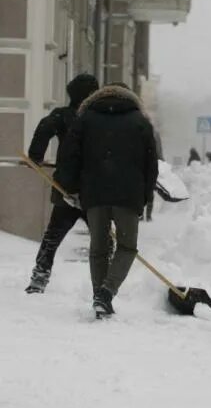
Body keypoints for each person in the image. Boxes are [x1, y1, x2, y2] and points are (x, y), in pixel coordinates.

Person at [57, 82, 158, 319]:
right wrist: (146, 197)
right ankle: (106, 293)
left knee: (99, 248)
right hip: (128, 195)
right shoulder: (139, 121)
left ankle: (99, 297)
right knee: (127, 247)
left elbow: (69, 155)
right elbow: (150, 163)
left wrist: (70, 188)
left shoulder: (85, 119)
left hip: (94, 193)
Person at [24, 73, 100, 294]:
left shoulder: (63, 116)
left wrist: (35, 156)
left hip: (67, 187)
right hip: (94, 189)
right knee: (103, 240)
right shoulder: (99, 118)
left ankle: (39, 276)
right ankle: (105, 283)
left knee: (53, 235)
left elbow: (44, 128)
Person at [143, 129, 164, 222]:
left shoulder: (137, 131)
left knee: (142, 191)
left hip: (142, 166)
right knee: (149, 191)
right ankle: (148, 215)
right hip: (151, 164)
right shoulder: (155, 133)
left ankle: (141, 214)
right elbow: (159, 149)